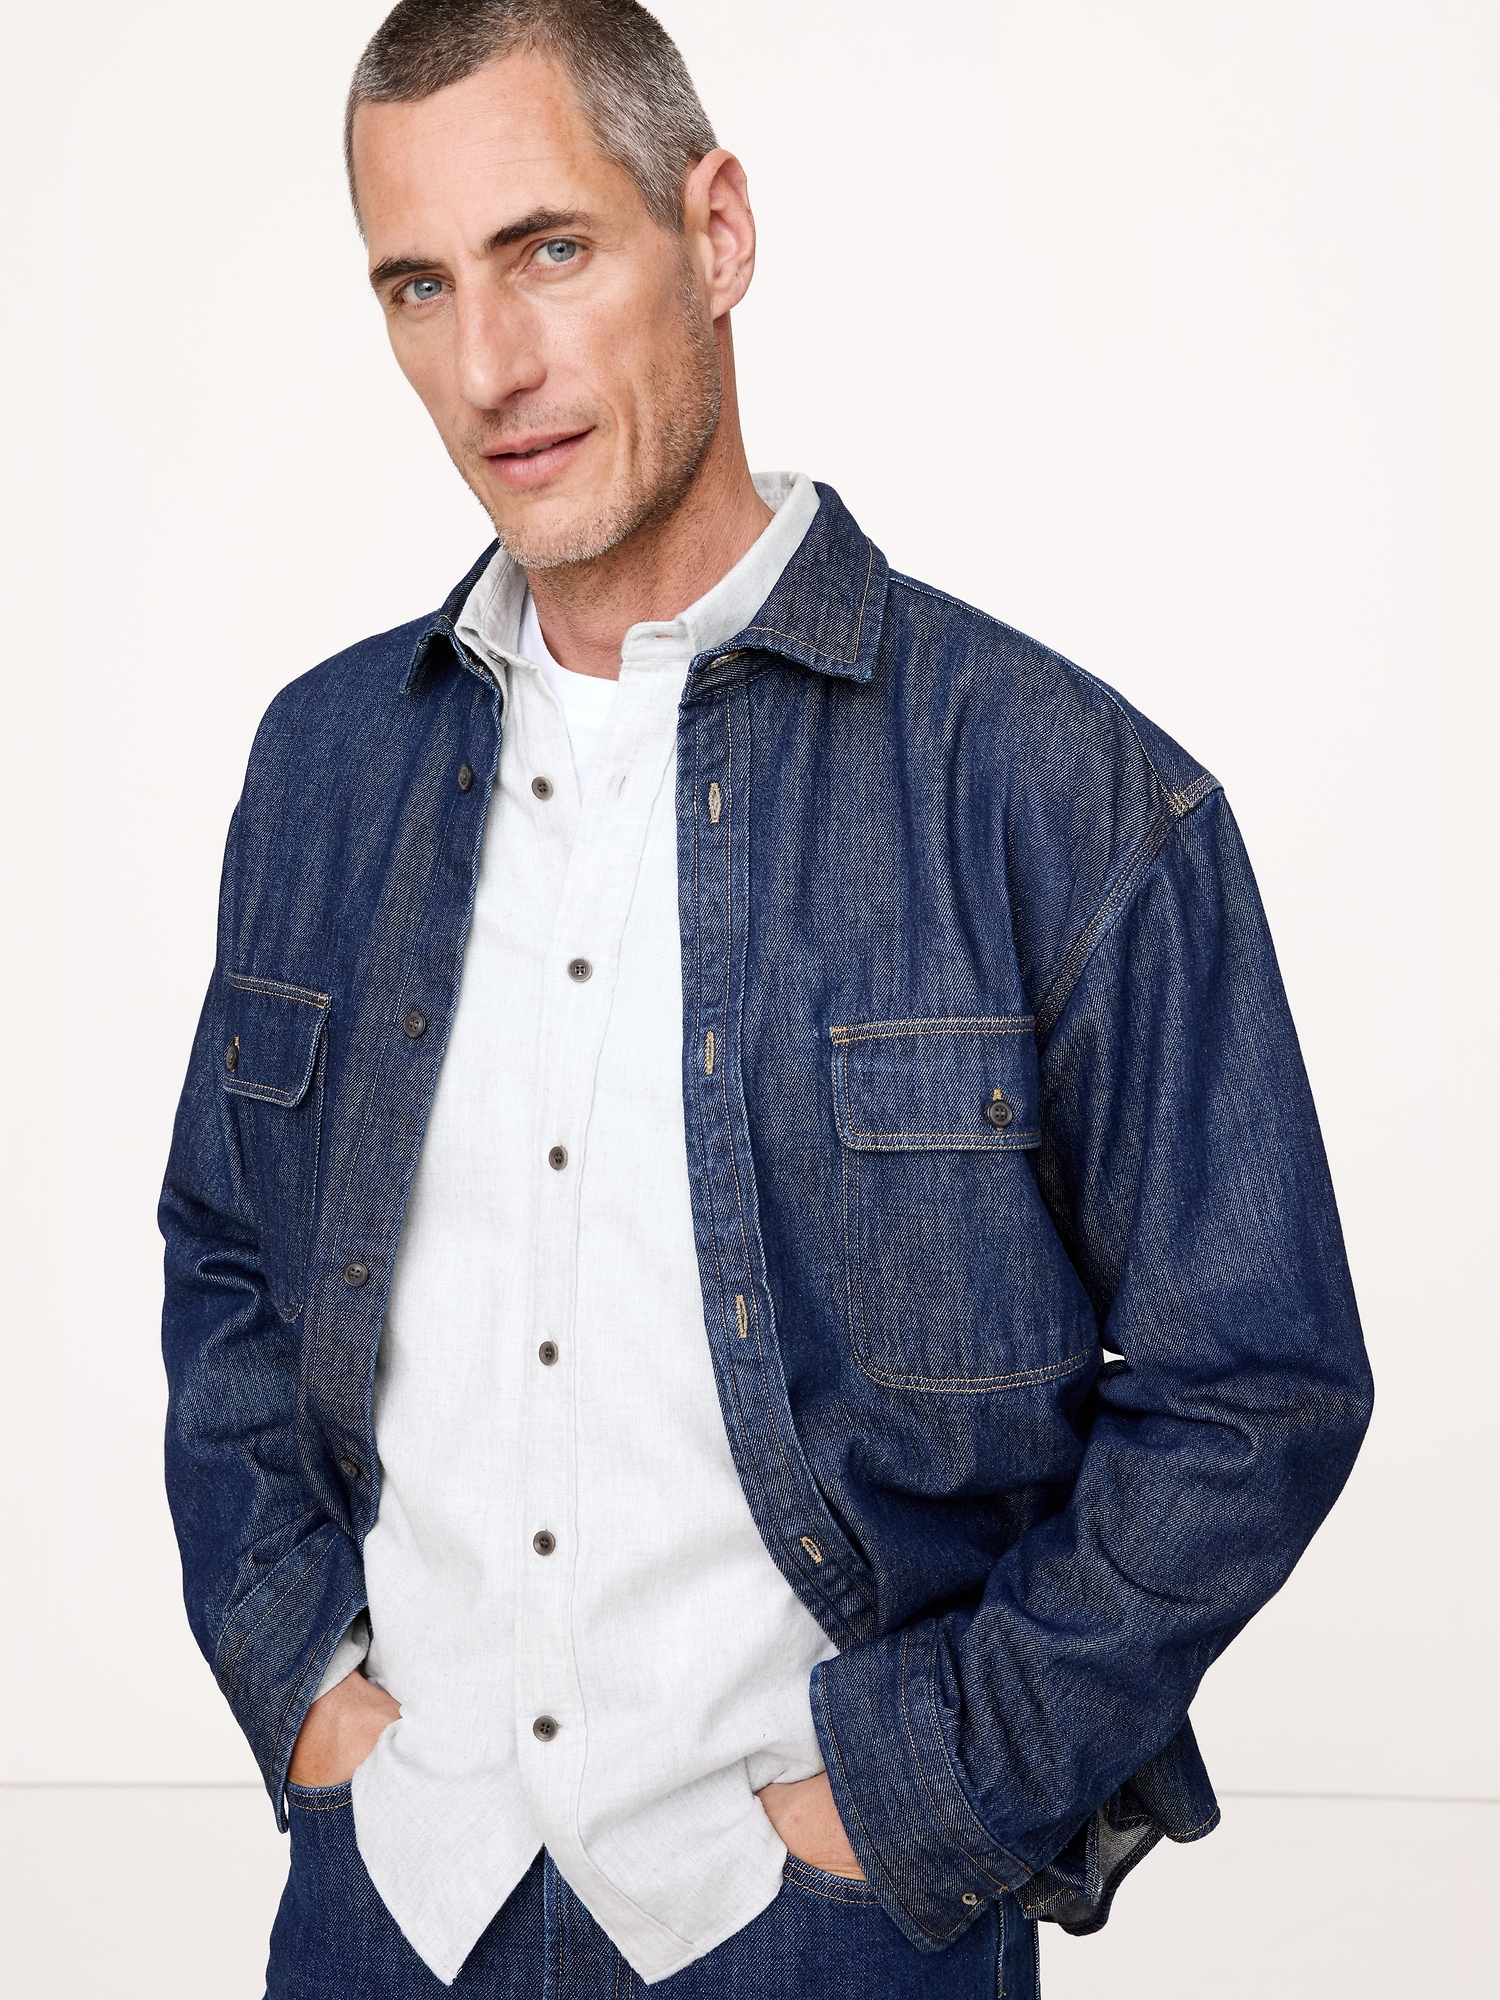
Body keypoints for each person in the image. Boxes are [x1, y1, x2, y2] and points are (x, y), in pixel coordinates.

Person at [159, 2, 1372, 1994]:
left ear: (714, 232)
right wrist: (299, 1679)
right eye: (418, 285)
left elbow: (1257, 1387)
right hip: (393, 1902)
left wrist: (913, 1795)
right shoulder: (322, 769)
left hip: (819, 1928)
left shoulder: (1058, 790)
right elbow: (227, 1255)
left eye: (552, 249)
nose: (489, 365)